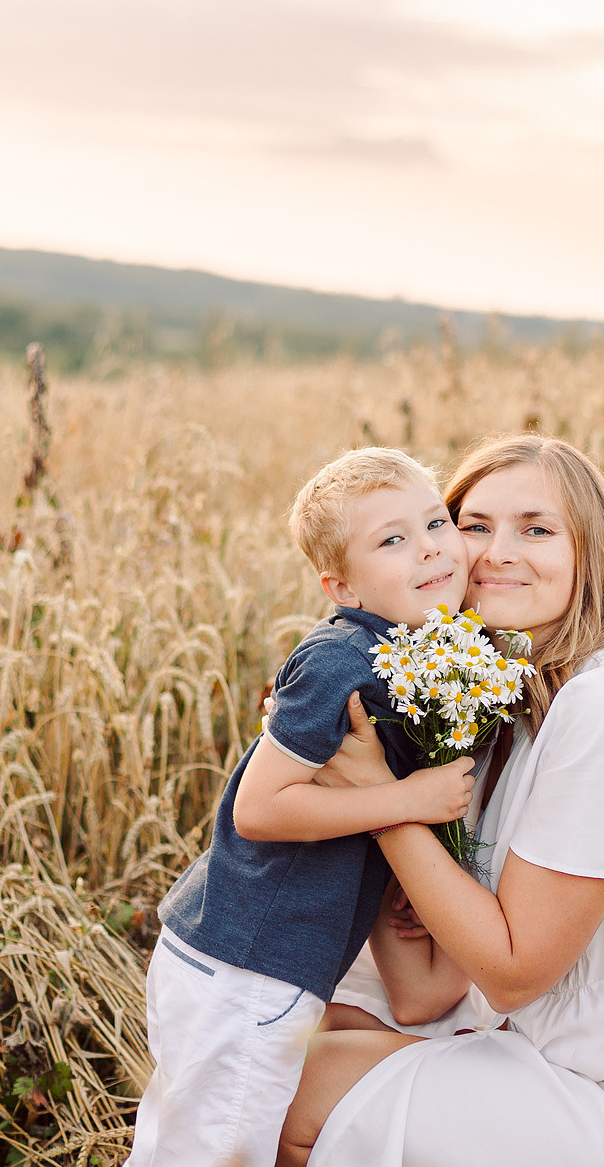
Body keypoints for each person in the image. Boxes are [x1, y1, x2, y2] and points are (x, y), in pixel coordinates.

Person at [279, 436, 604, 1167]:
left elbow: (510, 972)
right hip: (553, 1057)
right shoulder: (499, 716)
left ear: (598, 557)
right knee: (291, 1035)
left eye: (536, 530)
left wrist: (379, 799)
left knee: (294, 1094)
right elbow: (424, 995)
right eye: (473, 526)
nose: (495, 553)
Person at [127, 447, 482, 1167]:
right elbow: (259, 809)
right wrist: (406, 798)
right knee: (217, 1153)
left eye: (435, 523)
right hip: (246, 967)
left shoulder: (410, 650)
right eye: (391, 540)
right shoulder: (340, 660)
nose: (428, 549)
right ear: (342, 585)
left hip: (258, 964)